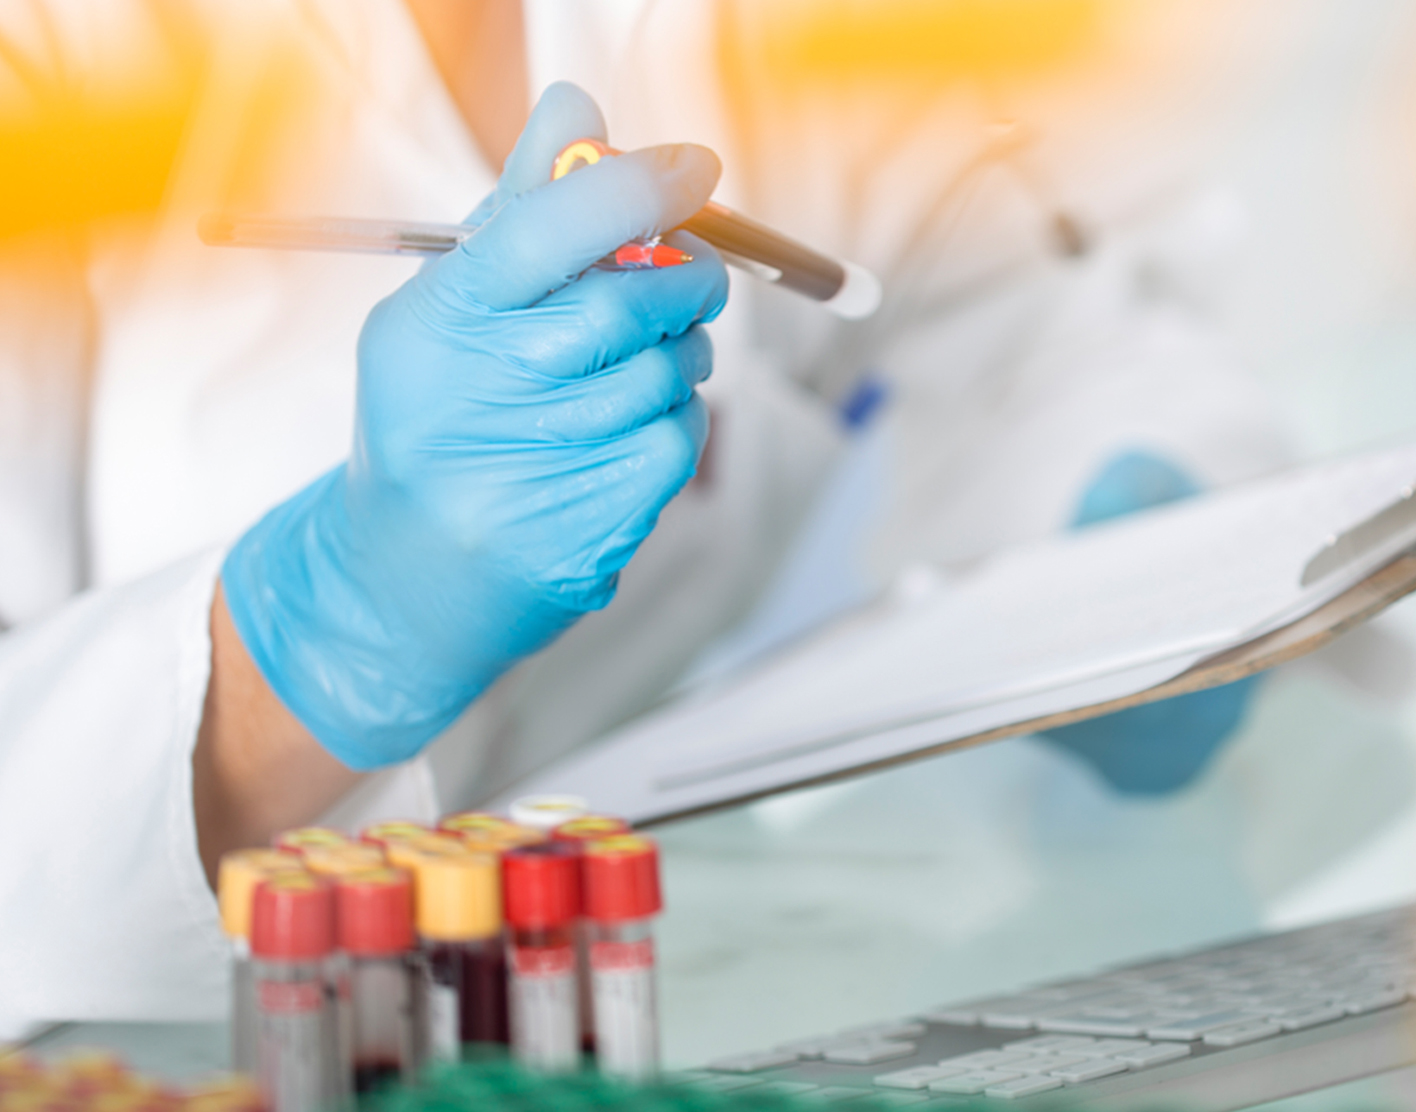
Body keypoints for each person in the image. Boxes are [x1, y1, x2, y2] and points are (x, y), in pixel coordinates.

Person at [0, 0, 1288, 1035]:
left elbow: (1033, 308)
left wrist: (1141, 557)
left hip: (671, 983)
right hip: (187, 1050)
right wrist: (329, 630)